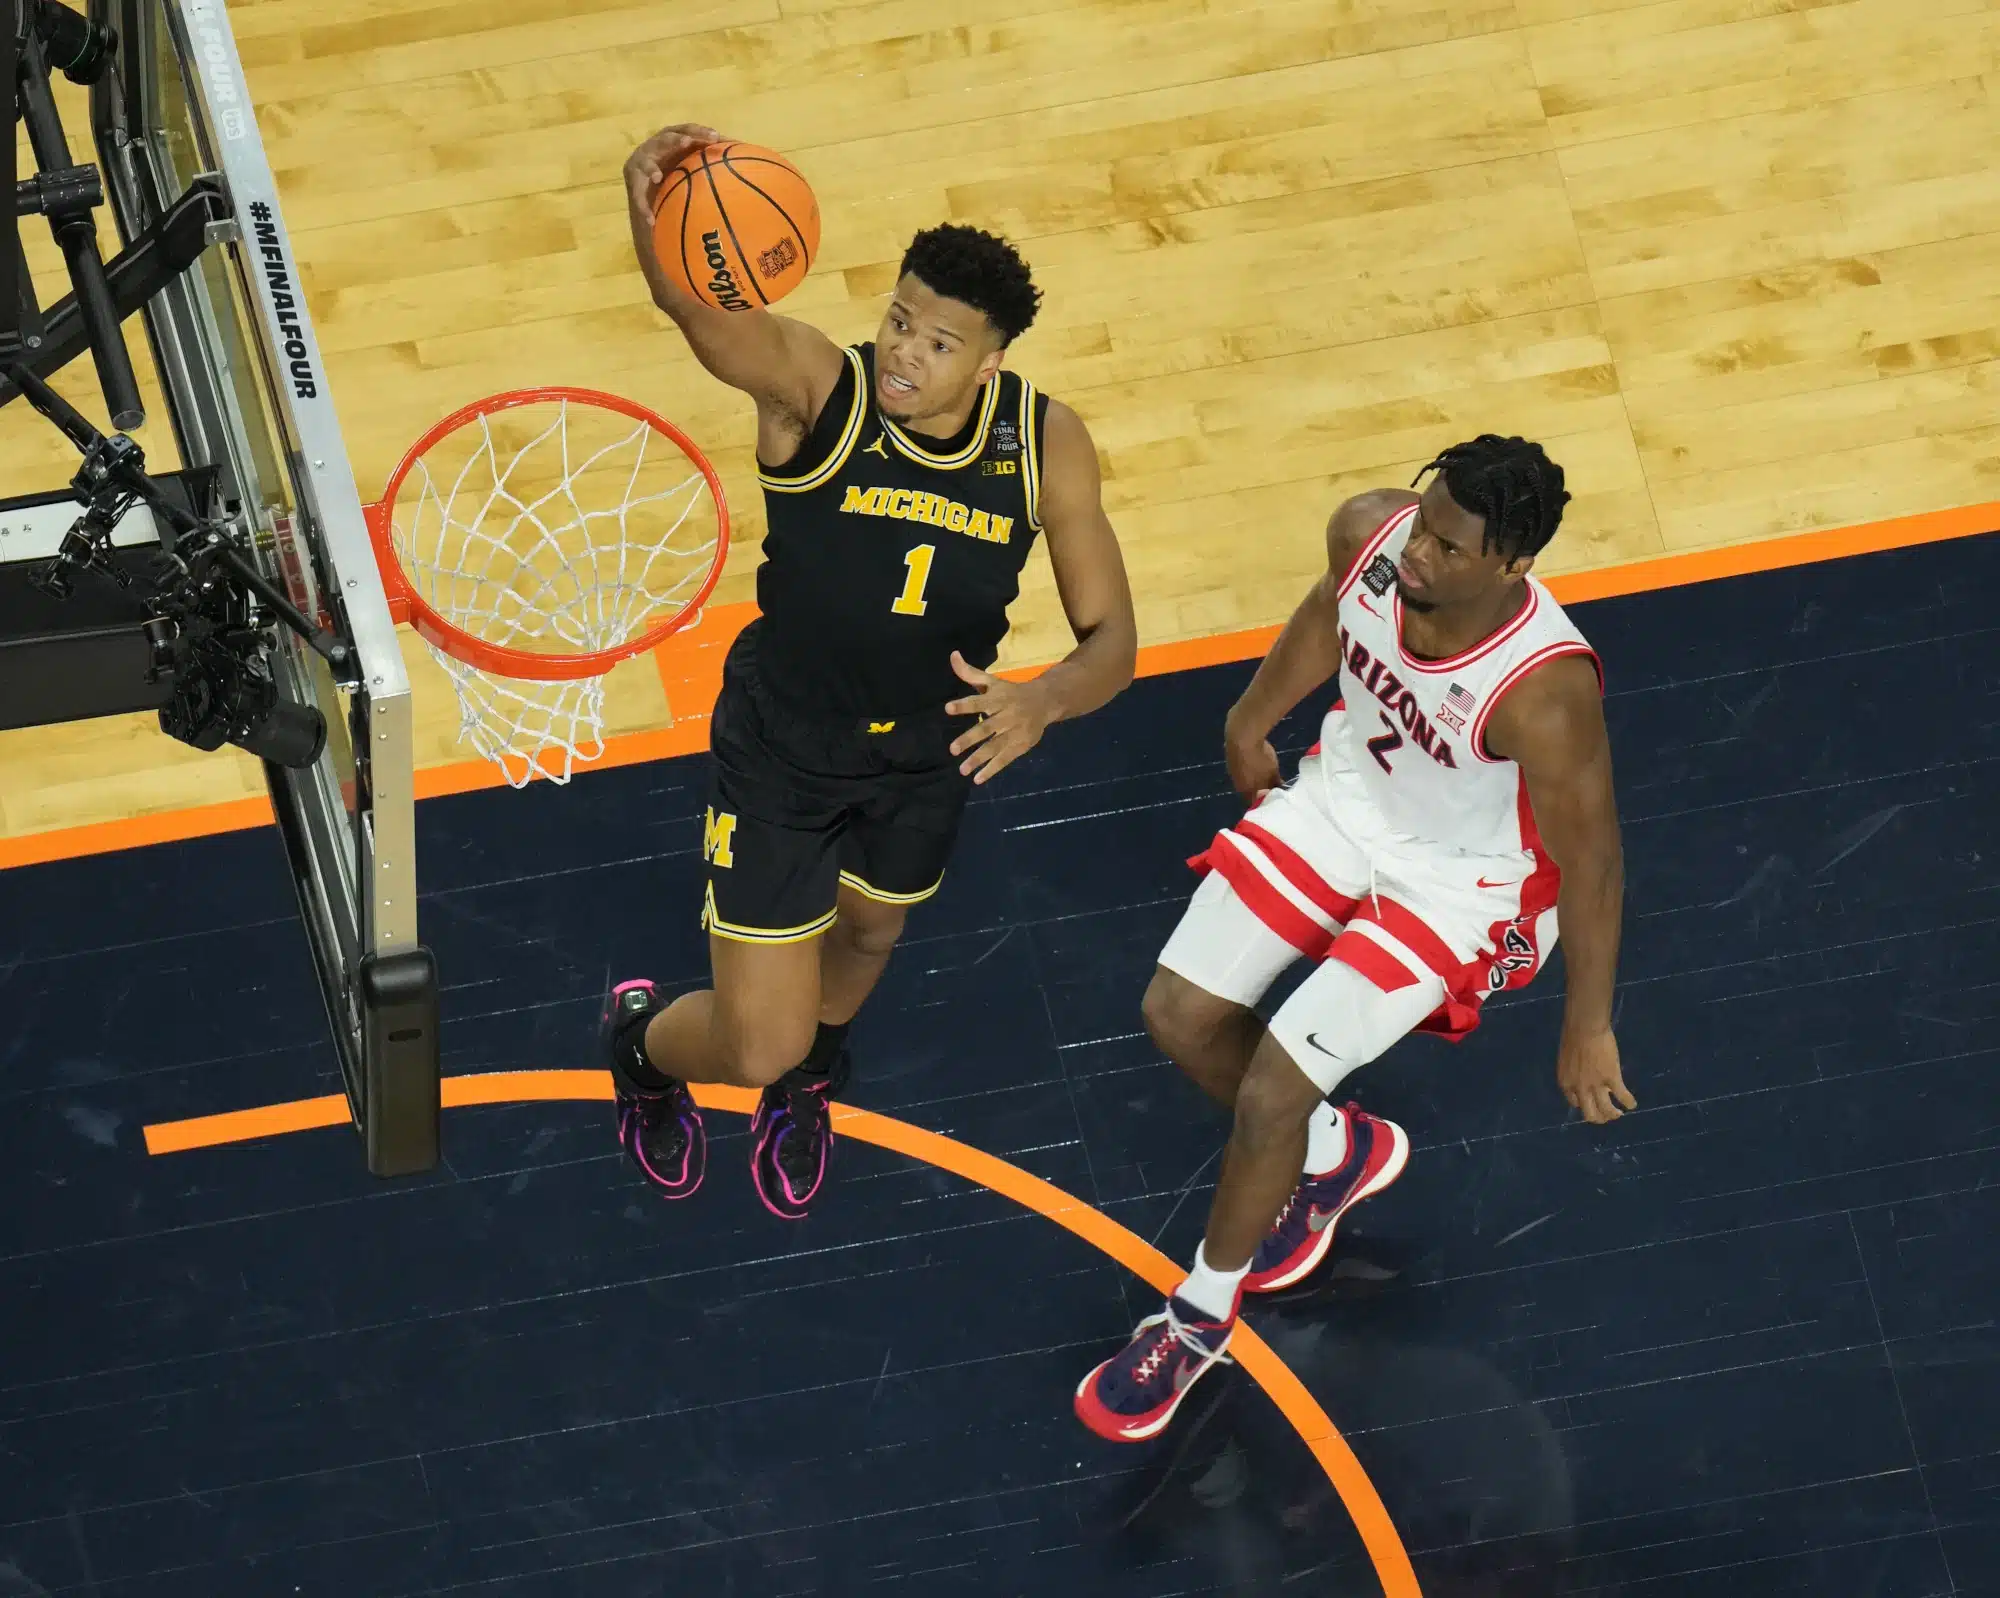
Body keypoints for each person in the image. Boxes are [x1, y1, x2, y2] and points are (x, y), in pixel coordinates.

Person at [604, 123, 1137, 1220]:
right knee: (751, 1044)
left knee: (868, 932)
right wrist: (650, 217)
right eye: (898, 320)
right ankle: (642, 1050)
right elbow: (705, 318)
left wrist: (1041, 700)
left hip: (929, 751)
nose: (902, 353)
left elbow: (1113, 643)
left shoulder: (1043, 443)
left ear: (988, 364)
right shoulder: (816, 388)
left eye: (938, 342)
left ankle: (812, 1075)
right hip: (784, 749)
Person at [1073, 436, 1635, 1442]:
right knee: (1177, 1014)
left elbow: (1591, 861)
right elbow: (1330, 611)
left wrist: (1586, 1025)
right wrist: (1250, 715)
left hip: (1456, 886)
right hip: (1341, 799)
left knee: (1268, 1095)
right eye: (1425, 522)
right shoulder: (1371, 535)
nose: (1416, 552)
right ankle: (1336, 1152)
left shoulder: (1541, 693)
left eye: (1449, 548)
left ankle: (1197, 1318)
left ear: (1511, 564)